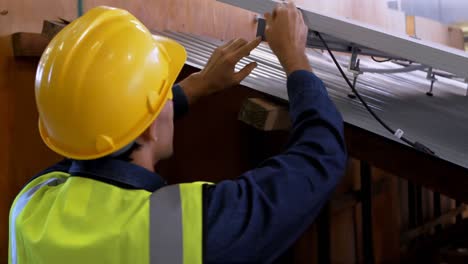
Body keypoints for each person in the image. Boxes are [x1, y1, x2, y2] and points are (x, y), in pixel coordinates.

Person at [9, 2, 346, 264]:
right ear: (150, 130)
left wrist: (194, 88)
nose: (170, 96)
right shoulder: (170, 232)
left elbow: (88, 130)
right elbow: (318, 159)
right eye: (163, 97)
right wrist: (295, 58)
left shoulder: (30, 205)